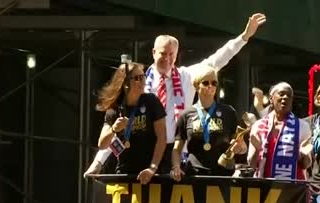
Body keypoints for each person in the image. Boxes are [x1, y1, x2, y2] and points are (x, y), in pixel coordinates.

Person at [84, 13, 266, 177]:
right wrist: (98, 163)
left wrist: (244, 37)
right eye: (163, 54)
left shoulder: (187, 76)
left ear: (177, 54)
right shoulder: (140, 83)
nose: (167, 59)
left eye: (172, 54)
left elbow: (217, 60)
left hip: (176, 152)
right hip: (144, 150)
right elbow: (120, 124)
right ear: (153, 53)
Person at [170, 65, 246, 179]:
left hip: (223, 174)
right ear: (196, 85)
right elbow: (177, 149)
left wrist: (239, 148)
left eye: (214, 83)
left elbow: (243, 147)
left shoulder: (228, 112)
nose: (210, 86)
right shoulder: (186, 115)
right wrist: (176, 167)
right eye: (205, 83)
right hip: (195, 174)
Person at [96, 62, 166, 184]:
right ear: (125, 83)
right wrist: (113, 129)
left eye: (143, 76)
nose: (143, 81)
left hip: (149, 174)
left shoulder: (151, 101)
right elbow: (102, 144)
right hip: (124, 173)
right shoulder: (114, 109)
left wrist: (152, 168)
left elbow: (162, 137)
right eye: (137, 78)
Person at [247, 82, 312, 180]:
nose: (285, 97)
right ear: (271, 99)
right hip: (264, 189)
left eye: (289, 96)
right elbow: (252, 164)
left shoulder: (302, 126)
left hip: (292, 191)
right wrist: (256, 150)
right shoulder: (258, 126)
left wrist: (303, 155)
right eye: (281, 94)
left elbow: (306, 165)